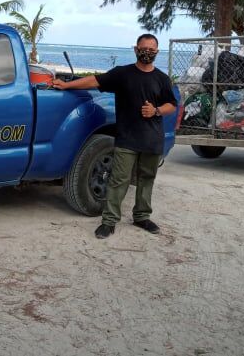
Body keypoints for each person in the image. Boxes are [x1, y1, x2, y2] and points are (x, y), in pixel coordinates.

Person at [53, 33, 177, 239]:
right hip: (127, 138)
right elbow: (93, 81)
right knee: (119, 180)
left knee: (146, 179)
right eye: (143, 49)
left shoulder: (162, 79)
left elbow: (171, 105)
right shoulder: (123, 74)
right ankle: (109, 222)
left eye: (151, 50)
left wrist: (155, 111)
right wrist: (66, 85)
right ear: (136, 50)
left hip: (152, 138)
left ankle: (142, 217)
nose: (147, 53)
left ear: (157, 52)